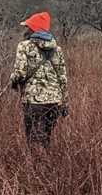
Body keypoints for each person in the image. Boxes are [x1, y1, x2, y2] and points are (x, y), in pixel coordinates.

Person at [8, 11, 68, 147]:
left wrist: (12, 81)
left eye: (28, 27)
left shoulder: (24, 46)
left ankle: (36, 167)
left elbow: (20, 73)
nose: (26, 30)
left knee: (33, 142)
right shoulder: (57, 49)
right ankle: (47, 165)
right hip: (55, 102)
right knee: (46, 139)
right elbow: (63, 78)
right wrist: (64, 103)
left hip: (34, 101)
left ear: (33, 29)